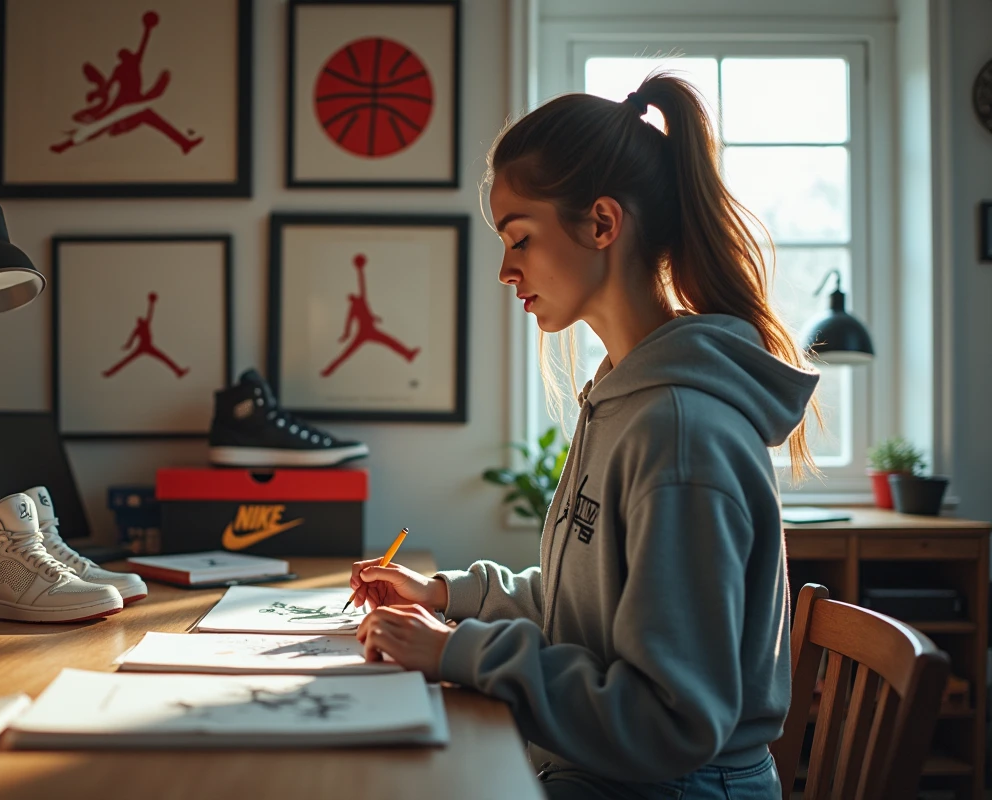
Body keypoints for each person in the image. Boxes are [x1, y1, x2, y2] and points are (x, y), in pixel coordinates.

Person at [348, 74, 820, 800]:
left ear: (602, 223)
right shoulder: (626, 397)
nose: (505, 270)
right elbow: (588, 610)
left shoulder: (679, 434)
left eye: (520, 239)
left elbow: (670, 720)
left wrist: (458, 651)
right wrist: (445, 594)